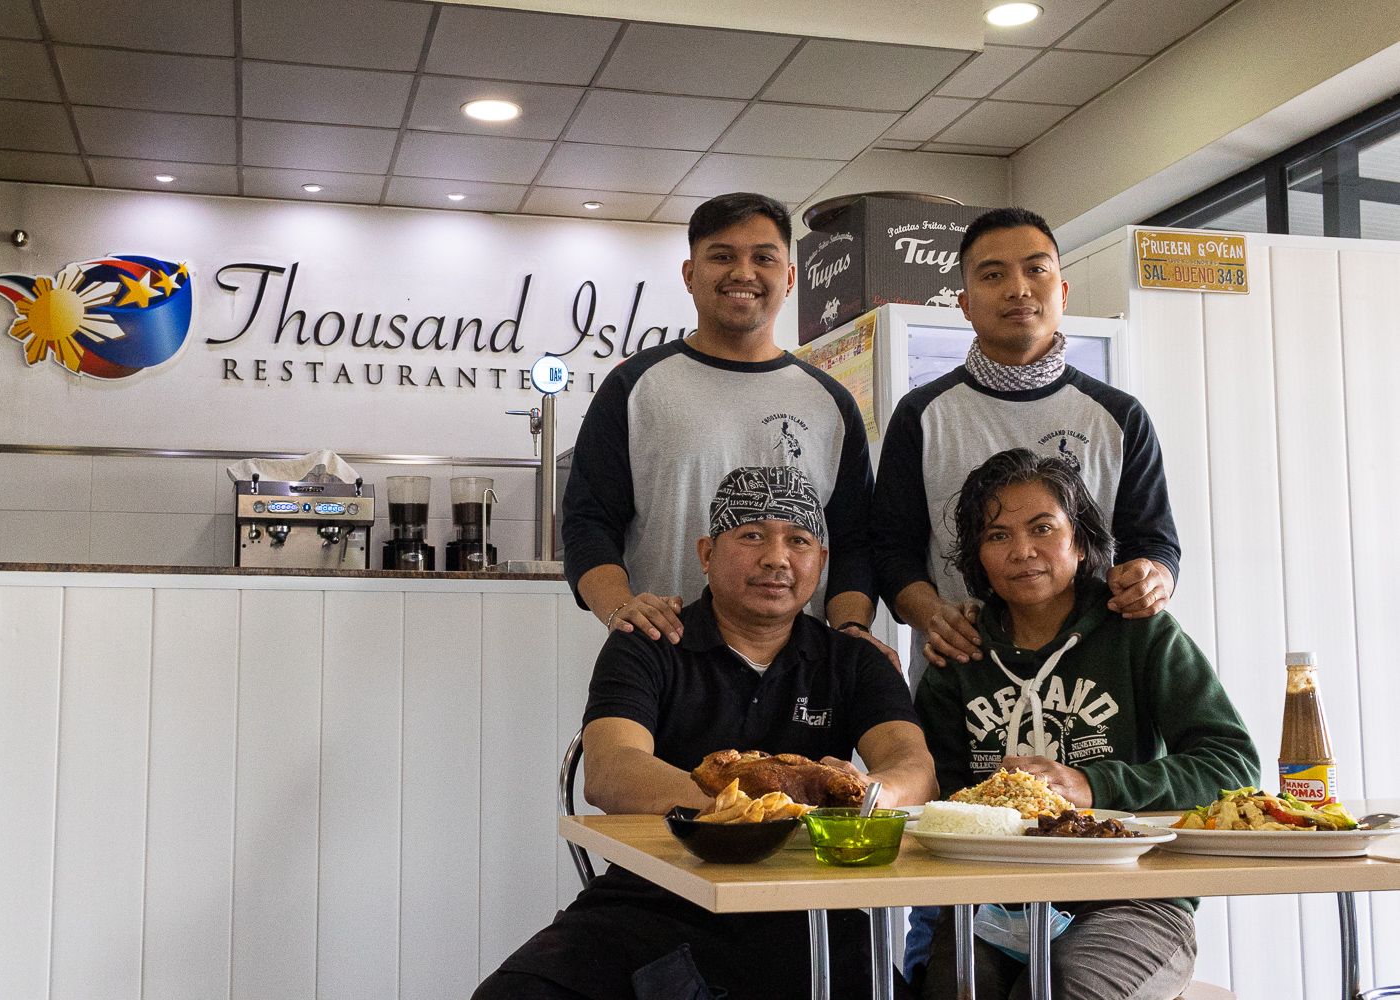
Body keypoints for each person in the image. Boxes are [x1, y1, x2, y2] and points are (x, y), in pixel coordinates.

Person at [476, 465, 937, 1000]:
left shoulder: (855, 660)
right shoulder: (647, 643)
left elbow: (913, 768)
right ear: (706, 554)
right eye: (751, 536)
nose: (776, 558)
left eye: (799, 540)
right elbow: (609, 771)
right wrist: (764, 799)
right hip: (652, 896)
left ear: (822, 562)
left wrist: (862, 793)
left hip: (805, 904)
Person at [913, 448, 1259, 1000]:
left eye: (1043, 528)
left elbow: (1232, 764)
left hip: (1134, 895)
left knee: (1061, 986)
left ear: (1080, 540)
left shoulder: (1139, 633)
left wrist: (1095, 785)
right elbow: (935, 792)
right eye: (997, 535)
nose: (1022, 551)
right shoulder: (962, 653)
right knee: (955, 987)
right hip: (996, 902)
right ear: (978, 557)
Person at [562, 192, 891, 665]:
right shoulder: (634, 387)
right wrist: (620, 609)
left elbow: (852, 541)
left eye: (763, 258)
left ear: (790, 278)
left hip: (799, 673)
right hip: (663, 660)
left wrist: (850, 630)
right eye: (722, 256)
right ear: (690, 275)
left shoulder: (830, 402)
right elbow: (587, 523)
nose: (743, 273)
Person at [872, 207, 1180, 680]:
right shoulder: (922, 415)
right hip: (963, 676)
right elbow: (892, 553)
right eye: (993, 274)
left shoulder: (1120, 416)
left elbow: (1154, 543)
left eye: (1036, 270)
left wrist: (1153, 580)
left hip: (1099, 676)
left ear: (1062, 292)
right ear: (965, 303)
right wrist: (932, 613)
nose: (1019, 289)